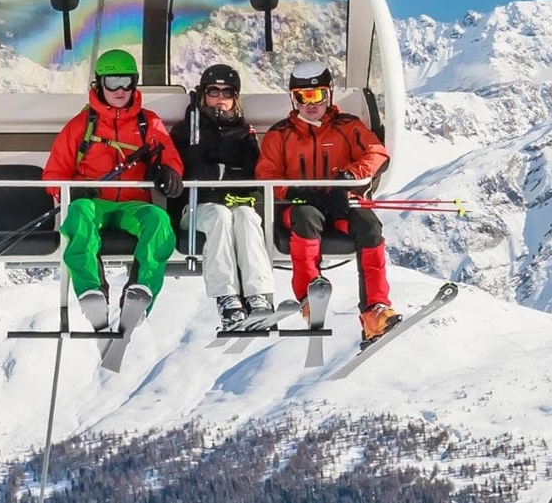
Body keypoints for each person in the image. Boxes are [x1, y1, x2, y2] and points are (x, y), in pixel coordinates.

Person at [256, 60, 403, 343]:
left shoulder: (348, 126)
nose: (311, 104)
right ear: (293, 98)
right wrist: (296, 192)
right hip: (298, 206)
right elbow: (267, 177)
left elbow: (377, 154)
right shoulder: (280, 134)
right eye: (303, 97)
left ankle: (375, 309)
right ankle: (310, 296)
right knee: (306, 218)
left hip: (340, 204)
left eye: (317, 95)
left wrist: (349, 178)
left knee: (369, 225)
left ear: (329, 95)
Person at [41, 49, 183, 332]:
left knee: (158, 220)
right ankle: (91, 291)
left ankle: (141, 292)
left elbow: (170, 159)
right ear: (99, 84)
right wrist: (72, 191)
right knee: (79, 213)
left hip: (133, 205)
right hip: (95, 204)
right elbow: (54, 173)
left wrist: (170, 173)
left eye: (126, 81)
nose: (120, 89)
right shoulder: (81, 125)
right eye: (112, 82)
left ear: (135, 83)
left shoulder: (148, 123)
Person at [170, 64, 278, 329]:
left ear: (235, 98)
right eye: (213, 91)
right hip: (195, 209)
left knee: (245, 216)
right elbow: (180, 169)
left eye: (227, 92)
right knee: (219, 216)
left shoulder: (243, 134)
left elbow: (252, 176)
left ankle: (258, 296)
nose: (220, 98)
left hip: (234, 204)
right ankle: (227, 298)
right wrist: (217, 173)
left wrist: (221, 175)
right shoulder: (186, 131)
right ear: (203, 95)